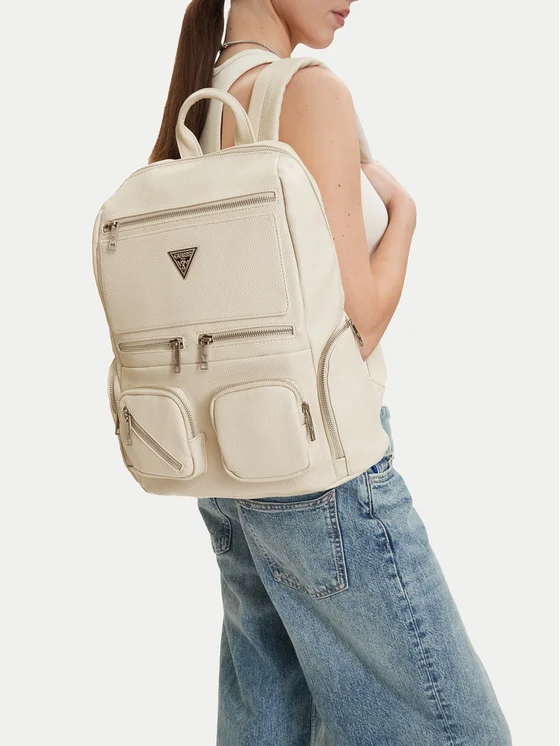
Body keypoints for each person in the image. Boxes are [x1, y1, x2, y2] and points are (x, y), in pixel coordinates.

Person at [149, 2, 512, 744]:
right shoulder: (306, 92)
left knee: (273, 729)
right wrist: (404, 215)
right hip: (326, 476)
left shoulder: (202, 102)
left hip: (230, 476)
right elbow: (360, 319)